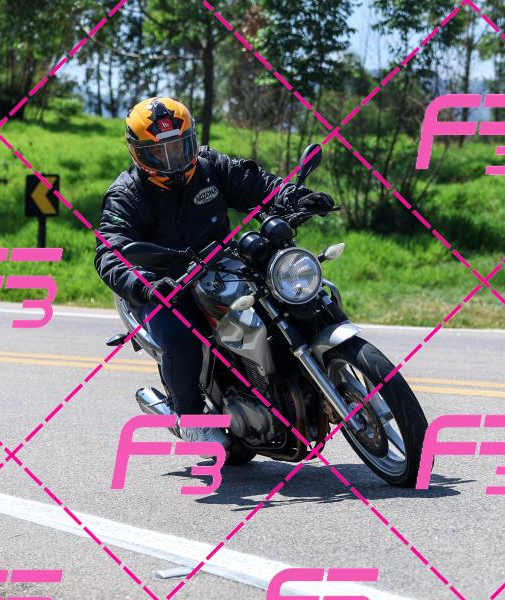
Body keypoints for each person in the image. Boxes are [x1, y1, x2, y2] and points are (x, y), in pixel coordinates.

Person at [94, 96, 333, 447]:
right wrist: (145, 285)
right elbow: (110, 252)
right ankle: (190, 418)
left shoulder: (210, 165)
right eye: (158, 152)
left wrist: (295, 197)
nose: (172, 160)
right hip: (166, 284)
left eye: (179, 147)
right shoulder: (127, 194)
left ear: (192, 140)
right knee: (183, 335)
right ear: (138, 153)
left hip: (224, 264)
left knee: (298, 290)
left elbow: (258, 185)